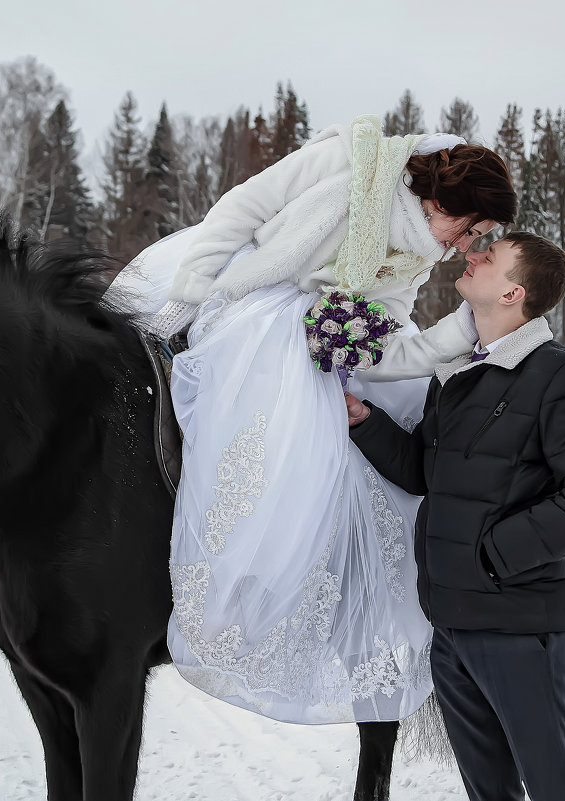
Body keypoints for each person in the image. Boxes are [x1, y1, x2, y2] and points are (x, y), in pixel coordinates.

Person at [107, 114, 516, 724]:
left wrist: (444, 338)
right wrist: (193, 291)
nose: (471, 245)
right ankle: (219, 576)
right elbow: (243, 207)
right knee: (271, 424)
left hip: (313, 335)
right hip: (248, 292)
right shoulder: (350, 163)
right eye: (475, 227)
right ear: (443, 199)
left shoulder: (419, 253)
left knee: (381, 423)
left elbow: (385, 337)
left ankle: (346, 604)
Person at [344, 232, 565, 799]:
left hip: (521, 626)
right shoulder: (456, 372)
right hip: (450, 624)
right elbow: (427, 475)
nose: (472, 257)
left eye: (488, 258)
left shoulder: (562, 376)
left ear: (512, 293)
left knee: (552, 785)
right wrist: (362, 420)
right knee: (487, 790)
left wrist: (493, 559)